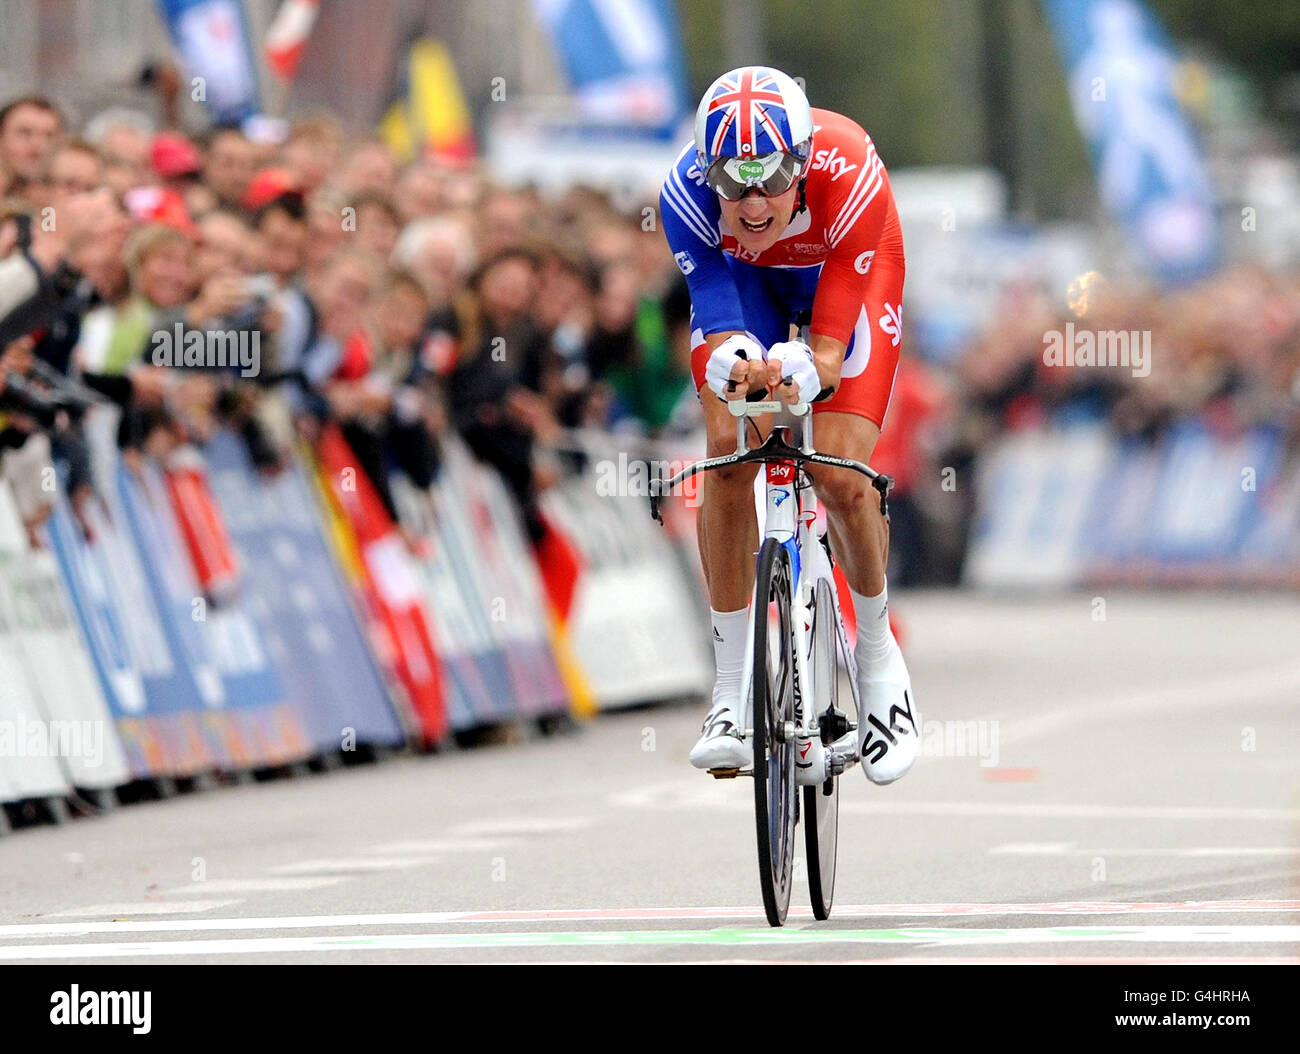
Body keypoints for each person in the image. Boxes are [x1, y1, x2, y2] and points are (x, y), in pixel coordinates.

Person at [659, 66, 920, 783]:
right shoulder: (683, 195)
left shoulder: (850, 165)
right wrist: (732, 359)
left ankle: (875, 662)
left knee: (838, 473)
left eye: (770, 177)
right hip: (749, 288)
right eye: (731, 180)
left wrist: (813, 364)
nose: (749, 202)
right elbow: (719, 312)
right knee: (726, 445)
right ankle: (729, 695)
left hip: (845, 273)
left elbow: (832, 351)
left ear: (801, 162)